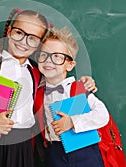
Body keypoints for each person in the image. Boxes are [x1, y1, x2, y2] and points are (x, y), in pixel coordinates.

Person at [0, 8, 97, 167]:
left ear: (38, 45)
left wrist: (86, 81)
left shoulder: (37, 74)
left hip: (23, 147)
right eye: (19, 33)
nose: (23, 42)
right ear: (9, 32)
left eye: (32, 38)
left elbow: (60, 84)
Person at [35, 27, 109, 167]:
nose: (48, 61)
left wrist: (72, 122)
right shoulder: (39, 92)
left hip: (85, 152)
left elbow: (102, 115)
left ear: (69, 65)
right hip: (54, 152)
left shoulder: (79, 89)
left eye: (57, 56)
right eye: (44, 55)